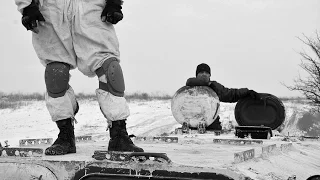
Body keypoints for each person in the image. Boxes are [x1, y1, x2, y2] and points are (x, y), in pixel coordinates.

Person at [15, 0, 143, 155]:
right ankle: (65, 135)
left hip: (92, 9)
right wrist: (27, 6)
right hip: (51, 10)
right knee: (55, 74)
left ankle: (118, 135)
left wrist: (114, 2)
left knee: (110, 70)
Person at [186, 63, 260, 130]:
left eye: (207, 73)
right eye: (201, 72)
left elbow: (229, 94)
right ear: (196, 75)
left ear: (210, 75)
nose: (204, 74)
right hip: (191, 126)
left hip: (212, 127)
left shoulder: (214, 87)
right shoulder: (189, 88)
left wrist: (246, 92)